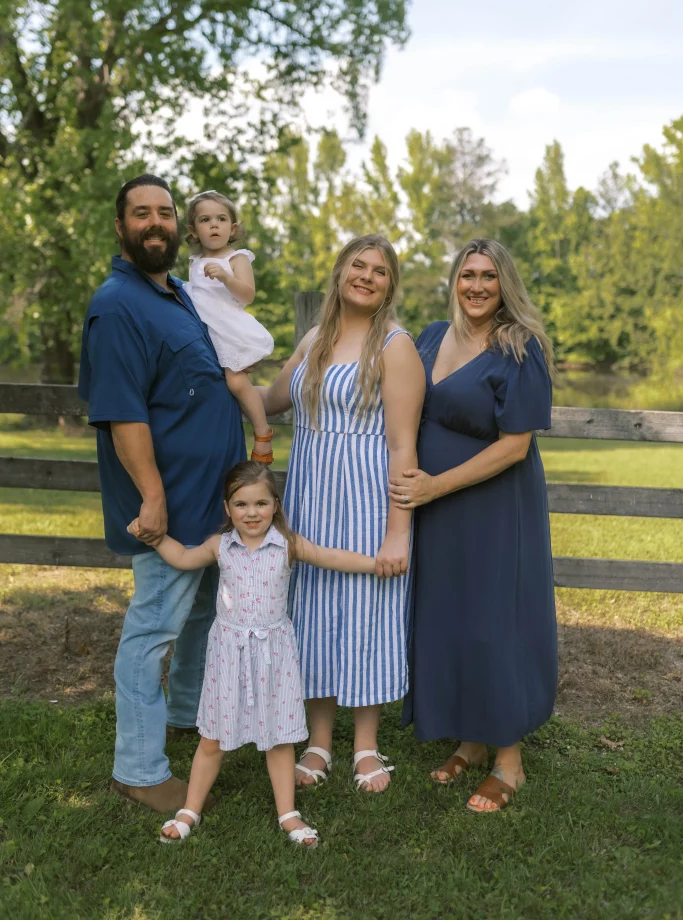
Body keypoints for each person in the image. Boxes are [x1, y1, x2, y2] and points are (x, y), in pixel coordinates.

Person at [78, 174, 246, 815]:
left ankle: (181, 717)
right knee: (152, 630)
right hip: (168, 507)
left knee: (202, 618)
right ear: (120, 228)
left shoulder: (178, 294)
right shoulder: (117, 305)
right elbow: (123, 413)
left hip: (213, 501)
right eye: (141, 214)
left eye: (166, 213)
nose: (157, 223)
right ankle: (139, 769)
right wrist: (151, 496)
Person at [127, 461, 380, 846]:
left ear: (275, 505)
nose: (252, 513)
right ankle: (189, 810)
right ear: (227, 509)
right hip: (228, 654)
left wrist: (376, 564)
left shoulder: (287, 544)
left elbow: (330, 557)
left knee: (279, 739)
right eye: (241, 504)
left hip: (273, 655)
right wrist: (154, 539)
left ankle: (288, 814)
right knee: (212, 738)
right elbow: (181, 558)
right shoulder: (220, 546)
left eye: (261, 503)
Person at [392, 238, 557, 813]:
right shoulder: (433, 336)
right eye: (468, 275)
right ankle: (470, 740)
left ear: (504, 282)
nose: (478, 286)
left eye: (489, 276)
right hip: (438, 509)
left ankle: (509, 760)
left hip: (494, 505)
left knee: (493, 620)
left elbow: (515, 446)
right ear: (455, 280)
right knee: (449, 615)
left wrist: (435, 484)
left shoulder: (519, 347)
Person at [259, 235, 425, 792]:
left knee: (364, 614)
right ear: (339, 273)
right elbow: (272, 399)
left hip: (365, 503)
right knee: (312, 616)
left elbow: (404, 448)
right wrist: (218, 378)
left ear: (389, 287)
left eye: (380, 271)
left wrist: (398, 533)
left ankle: (367, 746)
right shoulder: (315, 338)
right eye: (358, 265)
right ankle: (319, 742)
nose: (367, 276)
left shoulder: (396, 348)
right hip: (309, 501)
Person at [183, 190, 275, 463]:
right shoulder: (195, 263)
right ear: (193, 230)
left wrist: (225, 277)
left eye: (221, 219)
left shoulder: (237, 258)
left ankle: (262, 433)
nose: (214, 225)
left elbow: (247, 294)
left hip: (228, 329)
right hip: (204, 334)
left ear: (232, 228)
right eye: (205, 219)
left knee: (236, 381)